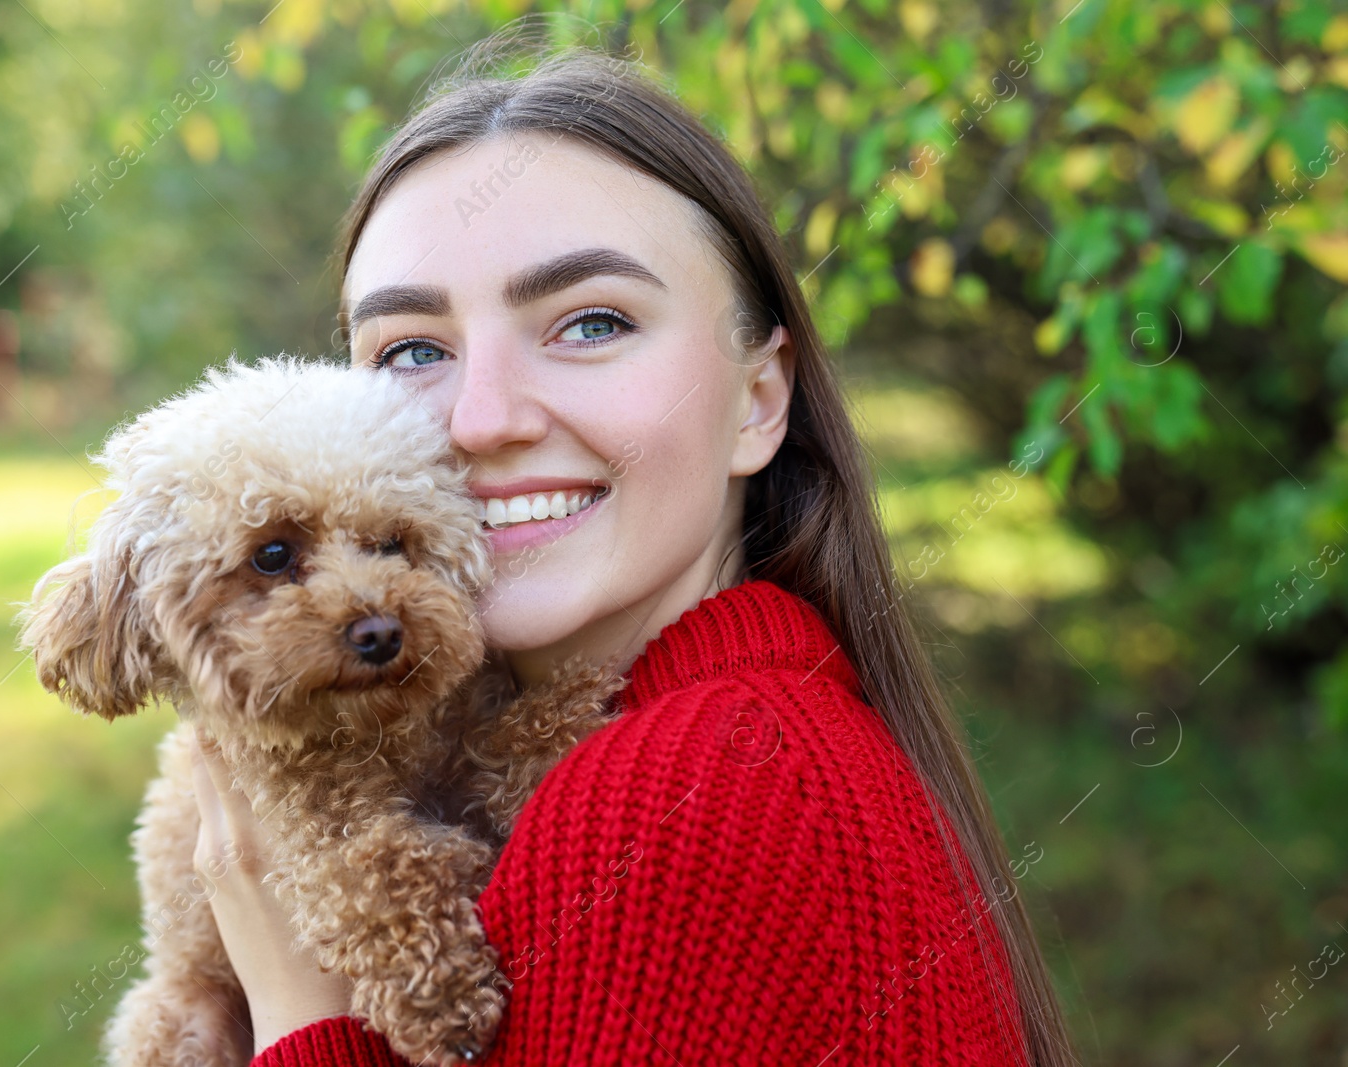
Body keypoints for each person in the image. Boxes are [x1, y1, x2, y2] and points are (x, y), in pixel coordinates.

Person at [188, 35, 1080, 1067]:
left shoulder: (682, 795)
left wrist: (302, 1013)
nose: (479, 419)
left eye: (591, 321)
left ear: (758, 400)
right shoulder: (750, 729)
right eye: (412, 351)